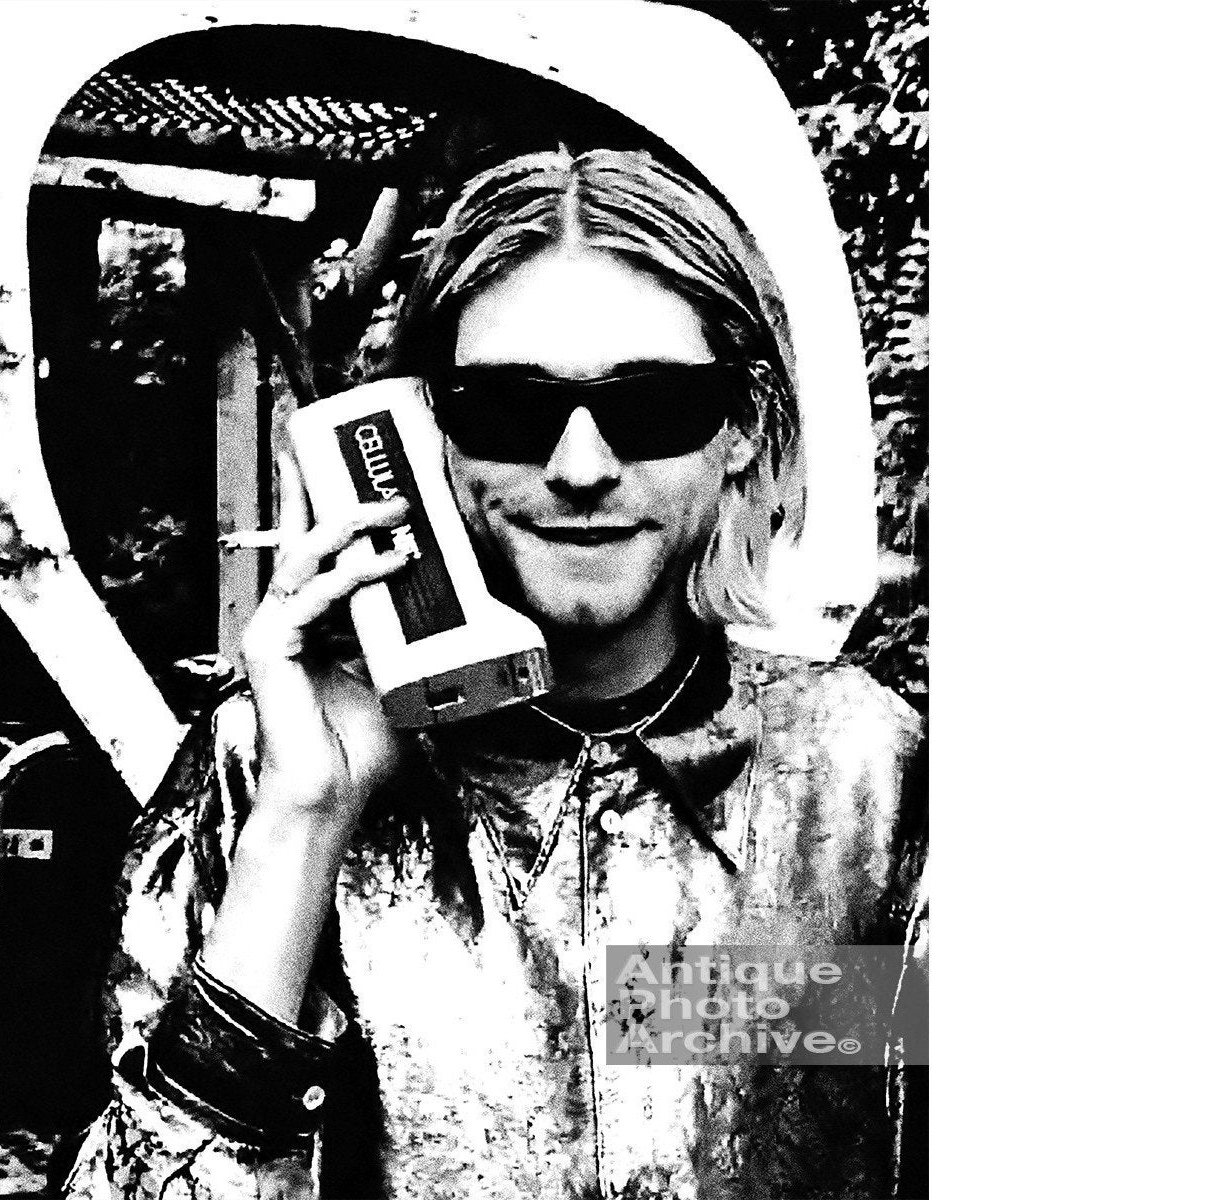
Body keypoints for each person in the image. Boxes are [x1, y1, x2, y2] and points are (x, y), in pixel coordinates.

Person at [63, 147, 926, 1200]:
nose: (580, 467)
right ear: (429, 435)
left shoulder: (865, 777)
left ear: (740, 429)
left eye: (653, 406)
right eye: (511, 408)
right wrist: (302, 827)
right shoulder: (275, 765)